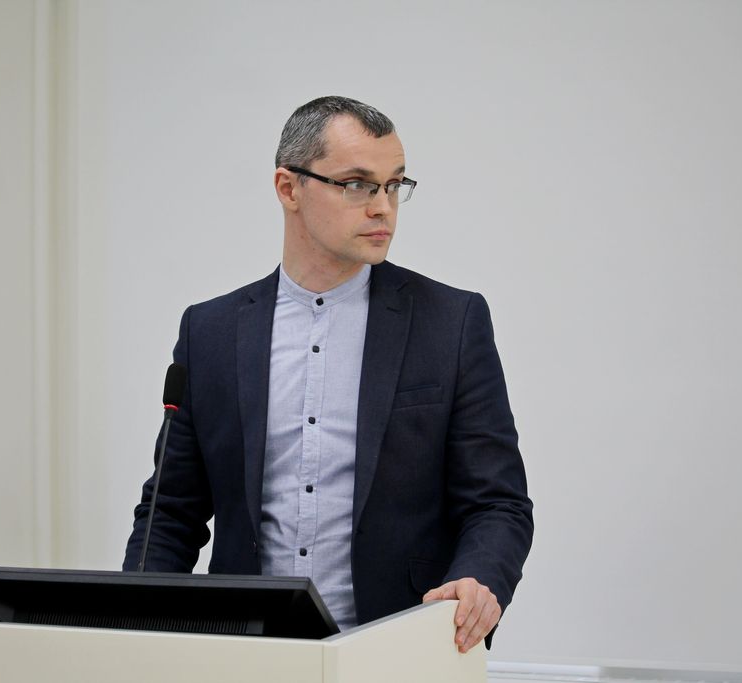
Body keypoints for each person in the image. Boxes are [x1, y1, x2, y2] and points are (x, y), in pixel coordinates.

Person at [124, 95, 533, 653]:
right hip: (249, 653)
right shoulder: (210, 331)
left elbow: (498, 504)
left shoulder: (450, 323)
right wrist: (133, 632)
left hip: (399, 649)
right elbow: (170, 513)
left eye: (394, 185)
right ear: (289, 188)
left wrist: (479, 581)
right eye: (358, 185)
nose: (383, 208)